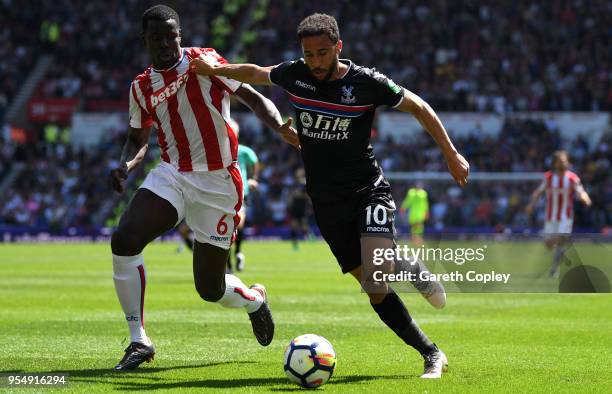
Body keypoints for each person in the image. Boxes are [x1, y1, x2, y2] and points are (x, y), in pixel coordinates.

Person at [190, 13, 469, 379]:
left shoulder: (366, 82)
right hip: (325, 202)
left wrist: (451, 153)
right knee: (374, 290)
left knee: (378, 271)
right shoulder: (295, 74)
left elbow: (418, 106)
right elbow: (256, 72)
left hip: (368, 190)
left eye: (323, 53)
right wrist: (213, 69)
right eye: (309, 54)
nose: (316, 62)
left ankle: (406, 267)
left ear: (339, 47)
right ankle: (431, 351)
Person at [108, 5, 299, 371]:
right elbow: (137, 138)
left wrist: (279, 127)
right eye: (157, 38)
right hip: (173, 173)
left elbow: (252, 96)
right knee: (124, 239)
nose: (166, 44)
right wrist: (126, 166)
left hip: (219, 182)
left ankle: (254, 300)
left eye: (172, 37)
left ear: (180, 36)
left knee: (210, 289)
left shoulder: (204, 61)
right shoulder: (141, 86)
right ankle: (139, 341)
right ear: (144, 40)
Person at [176, 118, 260, 274]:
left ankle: (237, 254)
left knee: (236, 224)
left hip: (239, 193)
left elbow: (254, 160)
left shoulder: (243, 151)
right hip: (217, 195)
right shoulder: (214, 152)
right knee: (218, 229)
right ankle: (222, 263)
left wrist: (253, 179)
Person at [526, 150, 591, 277]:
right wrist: (531, 205)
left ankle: (554, 269)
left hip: (565, 216)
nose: (564, 164)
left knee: (562, 239)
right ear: (555, 163)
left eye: (565, 161)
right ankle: (558, 250)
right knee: (549, 244)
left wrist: (586, 199)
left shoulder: (572, 178)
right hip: (551, 216)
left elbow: (581, 191)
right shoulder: (549, 177)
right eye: (561, 161)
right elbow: (538, 192)